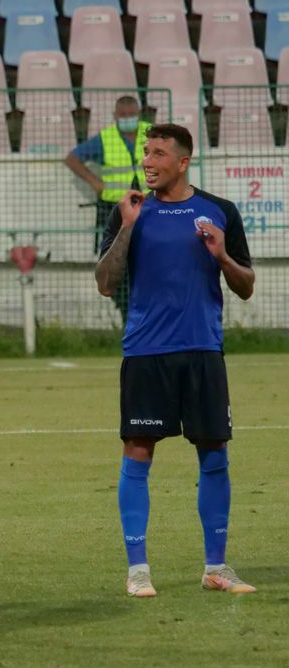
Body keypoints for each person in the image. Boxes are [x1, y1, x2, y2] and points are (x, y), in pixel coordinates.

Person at [94, 123, 256, 599]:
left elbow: (246, 285)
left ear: (183, 162)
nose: (147, 161)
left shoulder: (220, 211)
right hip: (146, 351)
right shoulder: (130, 210)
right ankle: (138, 570)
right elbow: (105, 282)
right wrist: (127, 226)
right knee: (138, 452)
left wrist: (221, 255)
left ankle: (216, 567)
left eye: (158, 153)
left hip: (203, 351)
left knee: (214, 454)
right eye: (146, 152)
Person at [64, 96, 148, 323]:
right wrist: (94, 182)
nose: (127, 118)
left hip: (150, 208)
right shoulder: (106, 138)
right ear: (115, 116)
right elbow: (72, 159)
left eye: (131, 114)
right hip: (116, 211)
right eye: (123, 115)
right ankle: (126, 313)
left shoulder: (152, 134)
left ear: (139, 114)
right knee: (117, 264)